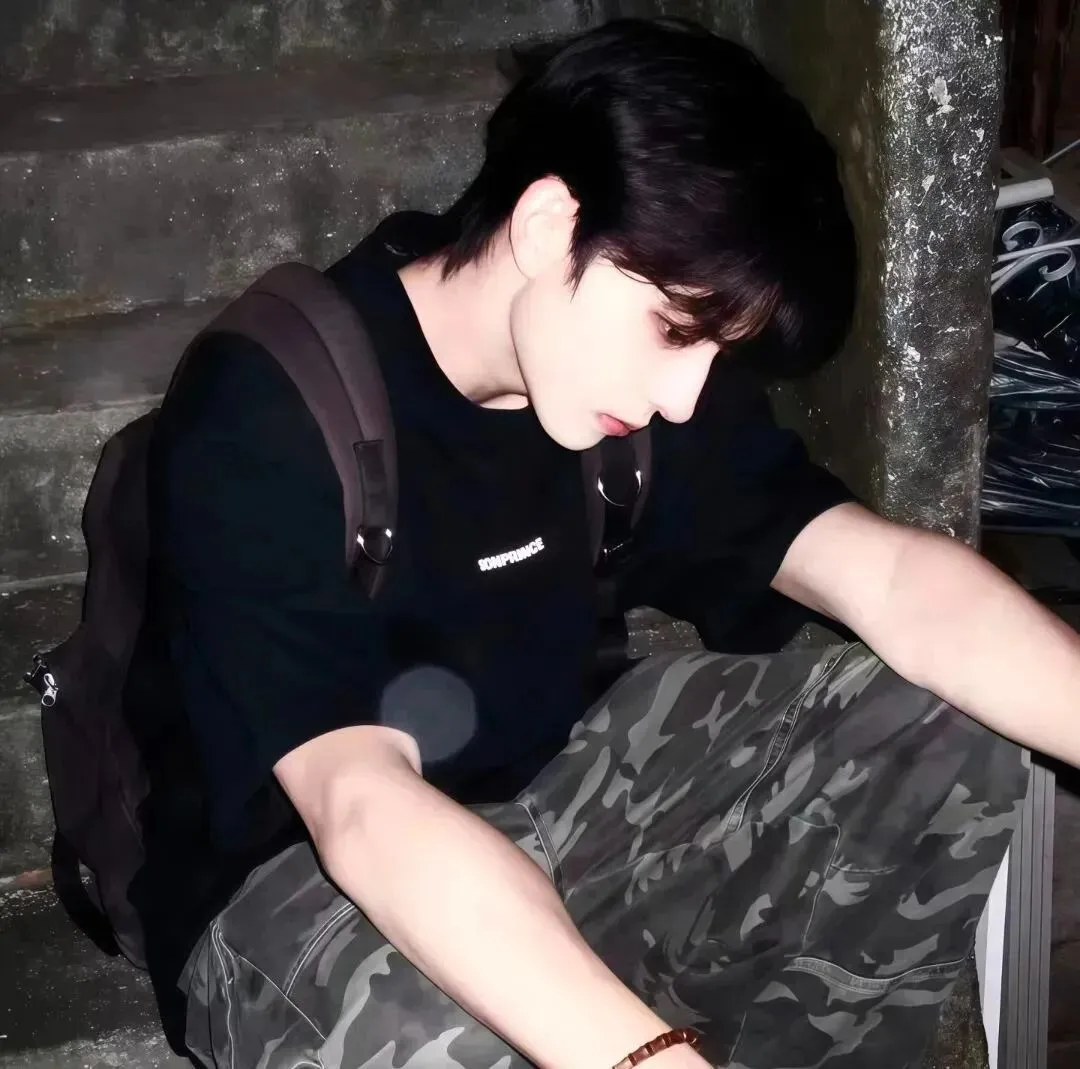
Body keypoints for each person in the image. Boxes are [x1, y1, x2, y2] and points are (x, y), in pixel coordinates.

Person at [130, 17, 1070, 1069]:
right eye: (676, 328)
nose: (685, 395)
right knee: (435, 1049)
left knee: (947, 716)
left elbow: (892, 577)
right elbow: (361, 807)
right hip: (298, 884)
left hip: (560, 792)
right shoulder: (265, 408)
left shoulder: (631, 381)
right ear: (548, 226)